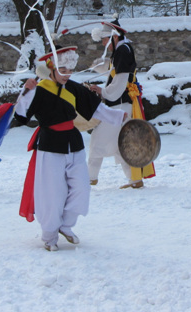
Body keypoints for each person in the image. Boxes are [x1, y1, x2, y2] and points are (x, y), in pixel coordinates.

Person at [14, 46, 126, 251]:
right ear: (52, 68)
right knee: (53, 192)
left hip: (73, 143)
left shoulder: (73, 88)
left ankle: (66, 225)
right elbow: (21, 117)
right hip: (49, 146)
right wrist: (26, 92)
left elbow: (95, 107)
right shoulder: (39, 90)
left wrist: (118, 117)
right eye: (62, 70)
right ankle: (49, 235)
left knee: (82, 187)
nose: (67, 75)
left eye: (69, 70)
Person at [88, 19, 155, 189]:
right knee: (121, 142)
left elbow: (119, 83)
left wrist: (102, 91)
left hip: (119, 104)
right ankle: (134, 179)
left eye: (105, 39)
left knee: (98, 139)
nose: (103, 43)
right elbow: (115, 71)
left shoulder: (122, 51)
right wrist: (99, 66)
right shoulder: (121, 50)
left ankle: (89, 178)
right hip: (123, 103)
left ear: (114, 37)